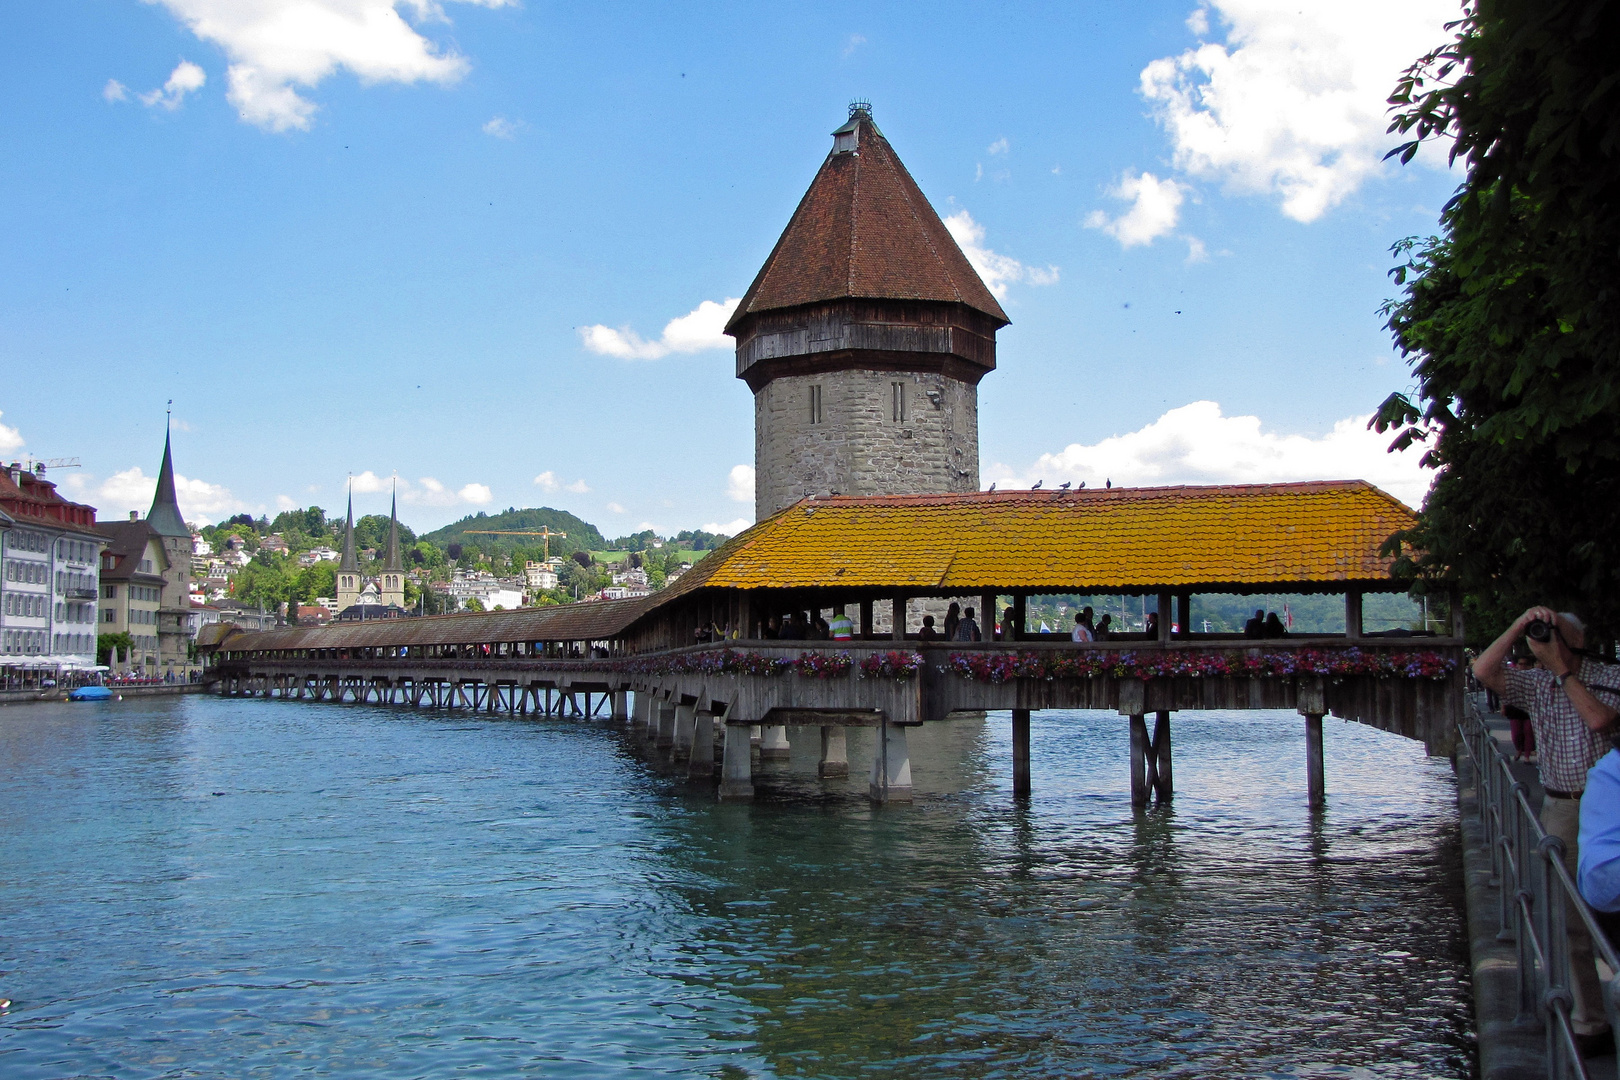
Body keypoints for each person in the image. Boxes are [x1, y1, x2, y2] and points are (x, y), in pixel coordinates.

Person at [1476, 607, 1620, 1057]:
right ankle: (1590, 1022)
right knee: (1570, 923)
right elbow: (1482, 670)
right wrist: (1517, 625)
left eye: (1555, 632)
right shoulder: (1536, 682)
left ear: (1576, 638)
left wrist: (1563, 671)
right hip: (1559, 805)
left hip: (1609, 807)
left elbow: (1600, 720)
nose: (1548, 639)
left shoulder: (1608, 676)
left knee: (1612, 916)